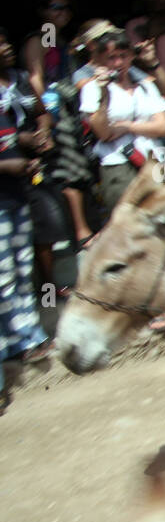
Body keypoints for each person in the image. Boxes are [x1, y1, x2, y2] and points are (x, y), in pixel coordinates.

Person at [0, 29, 54, 397]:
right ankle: (6, 344)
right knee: (2, 272)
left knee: (21, 267)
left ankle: (28, 336)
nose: (6, 46)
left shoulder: (18, 80)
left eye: (6, 39)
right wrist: (10, 150)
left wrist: (42, 134)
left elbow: (41, 113)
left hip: (20, 189)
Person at [78, 31, 165, 217]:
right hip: (118, 165)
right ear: (101, 59)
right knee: (127, 223)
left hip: (153, 160)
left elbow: (163, 127)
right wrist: (103, 94)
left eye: (123, 56)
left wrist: (126, 126)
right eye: (111, 58)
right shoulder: (91, 88)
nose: (118, 63)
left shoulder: (145, 86)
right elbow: (103, 132)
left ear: (131, 57)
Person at [21, 0, 74, 99]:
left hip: (65, 100)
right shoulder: (36, 40)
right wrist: (46, 107)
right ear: (43, 11)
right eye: (57, 8)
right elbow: (35, 77)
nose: (64, 12)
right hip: (49, 102)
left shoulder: (58, 40)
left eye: (68, 8)